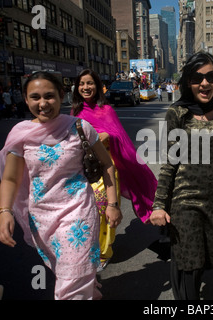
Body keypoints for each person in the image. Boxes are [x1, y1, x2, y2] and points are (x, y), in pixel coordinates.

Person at [0, 71, 122, 300]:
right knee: (67, 272)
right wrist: (4, 211)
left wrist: (112, 203)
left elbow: (107, 165)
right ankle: (90, 292)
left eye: (49, 96)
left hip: (79, 213)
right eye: (35, 97)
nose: (43, 103)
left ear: (61, 95)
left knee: (70, 284)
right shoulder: (20, 134)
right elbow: (10, 179)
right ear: (25, 99)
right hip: (42, 218)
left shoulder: (80, 127)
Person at [149, 52, 213, 300]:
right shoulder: (178, 113)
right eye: (197, 78)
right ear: (188, 81)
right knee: (190, 262)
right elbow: (169, 164)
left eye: (210, 77)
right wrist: (159, 205)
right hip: (185, 200)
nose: (204, 84)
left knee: (209, 258)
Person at [71, 69, 157, 270]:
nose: (86, 87)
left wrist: (105, 136)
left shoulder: (106, 110)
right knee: (86, 210)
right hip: (83, 168)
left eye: (90, 83)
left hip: (106, 167)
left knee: (105, 207)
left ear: (97, 85)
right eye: (82, 84)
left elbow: (118, 135)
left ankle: (103, 251)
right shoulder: (75, 111)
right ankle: (88, 246)